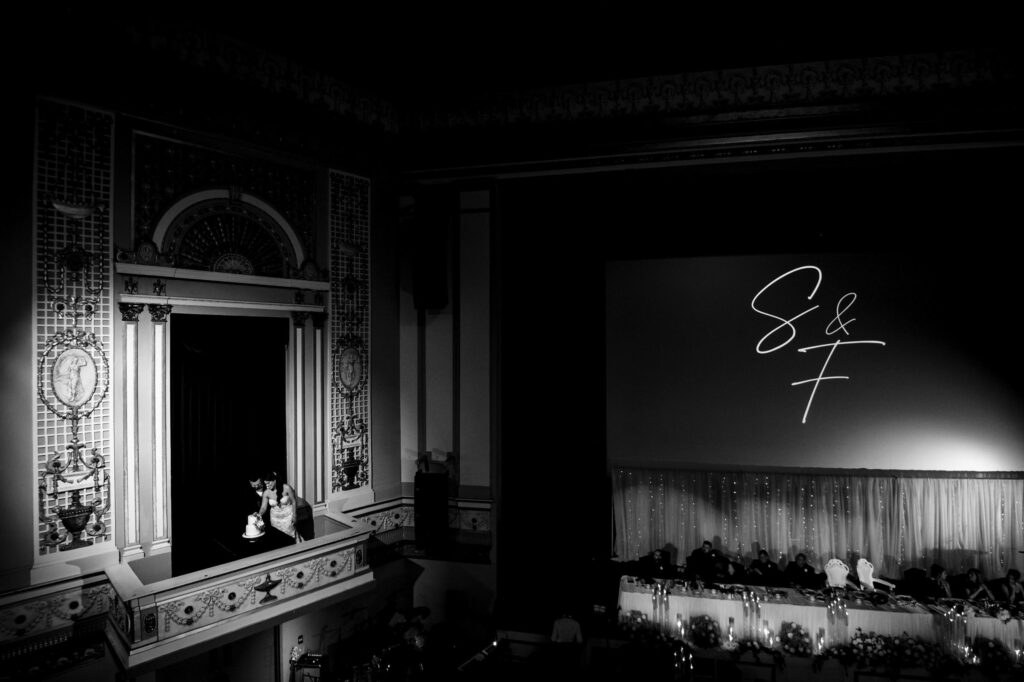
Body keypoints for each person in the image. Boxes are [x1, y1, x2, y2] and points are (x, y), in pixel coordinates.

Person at [259, 470, 301, 542]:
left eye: (269, 483)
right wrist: (259, 514)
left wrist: (295, 515)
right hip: (275, 519)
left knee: (291, 536)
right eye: (265, 484)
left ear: (274, 480)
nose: (267, 486)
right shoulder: (266, 493)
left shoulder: (286, 487)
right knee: (280, 539)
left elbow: (294, 501)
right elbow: (263, 507)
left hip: (288, 517)